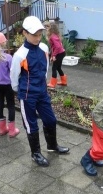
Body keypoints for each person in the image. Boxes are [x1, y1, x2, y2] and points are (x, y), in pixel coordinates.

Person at [10, 16, 69, 167]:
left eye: (40, 34)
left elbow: (45, 70)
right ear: (25, 33)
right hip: (28, 94)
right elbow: (14, 77)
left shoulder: (44, 48)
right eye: (34, 35)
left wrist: (42, 85)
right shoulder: (19, 55)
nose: (38, 38)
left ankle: (52, 146)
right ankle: (35, 153)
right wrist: (21, 92)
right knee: (31, 125)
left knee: (51, 120)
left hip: (42, 92)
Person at [46, 23, 67, 88]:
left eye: (47, 27)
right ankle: (64, 81)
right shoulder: (55, 35)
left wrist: (54, 55)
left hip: (59, 53)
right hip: (61, 53)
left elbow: (57, 47)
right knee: (58, 67)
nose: (46, 28)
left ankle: (53, 83)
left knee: (54, 68)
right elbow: (54, 47)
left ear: (51, 28)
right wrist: (52, 55)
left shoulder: (52, 36)